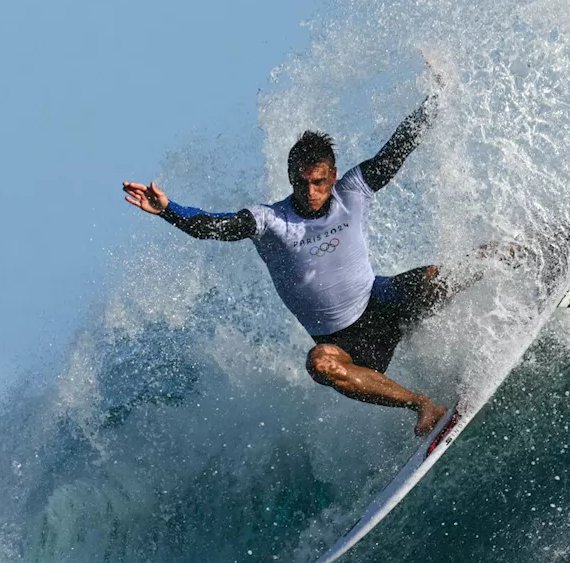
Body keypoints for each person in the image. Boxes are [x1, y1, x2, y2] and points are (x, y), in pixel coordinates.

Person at [122, 71, 466, 436]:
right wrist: (168, 209)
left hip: (381, 301)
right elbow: (213, 226)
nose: (311, 191)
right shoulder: (270, 221)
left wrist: (436, 101)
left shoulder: (352, 191)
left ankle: (517, 258)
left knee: (436, 277)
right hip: (344, 344)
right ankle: (422, 404)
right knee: (321, 364)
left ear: (332, 175)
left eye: (318, 182)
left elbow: (397, 149)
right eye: (302, 183)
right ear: (290, 177)